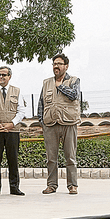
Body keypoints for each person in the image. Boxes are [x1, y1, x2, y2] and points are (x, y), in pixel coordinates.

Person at [38, 53, 81, 195]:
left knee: (70, 156)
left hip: (69, 123)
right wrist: (42, 122)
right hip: (50, 124)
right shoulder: (46, 82)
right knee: (51, 158)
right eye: (54, 64)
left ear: (66, 66)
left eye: (59, 64)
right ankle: (51, 185)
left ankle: (72, 185)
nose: (56, 66)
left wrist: (60, 86)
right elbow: (41, 104)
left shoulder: (74, 80)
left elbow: (74, 95)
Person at [0, 66, 27, 196]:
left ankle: (14, 187)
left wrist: (11, 124)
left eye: (3, 75)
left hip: (12, 131)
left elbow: (21, 110)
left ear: (9, 76)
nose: (0, 77)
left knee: (13, 159)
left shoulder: (17, 91)